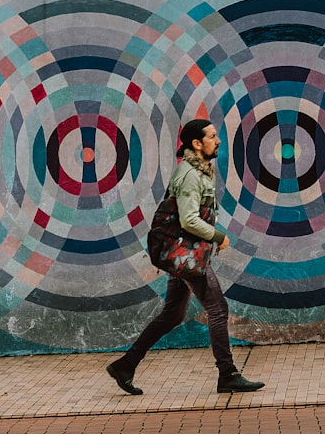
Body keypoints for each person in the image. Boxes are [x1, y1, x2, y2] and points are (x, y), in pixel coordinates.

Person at [106, 118, 265, 395]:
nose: (217, 141)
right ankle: (227, 374)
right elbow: (189, 220)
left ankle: (126, 365)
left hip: (185, 254)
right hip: (188, 256)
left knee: (172, 314)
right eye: (212, 136)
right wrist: (218, 236)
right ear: (196, 143)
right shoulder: (191, 174)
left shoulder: (201, 170)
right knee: (218, 309)